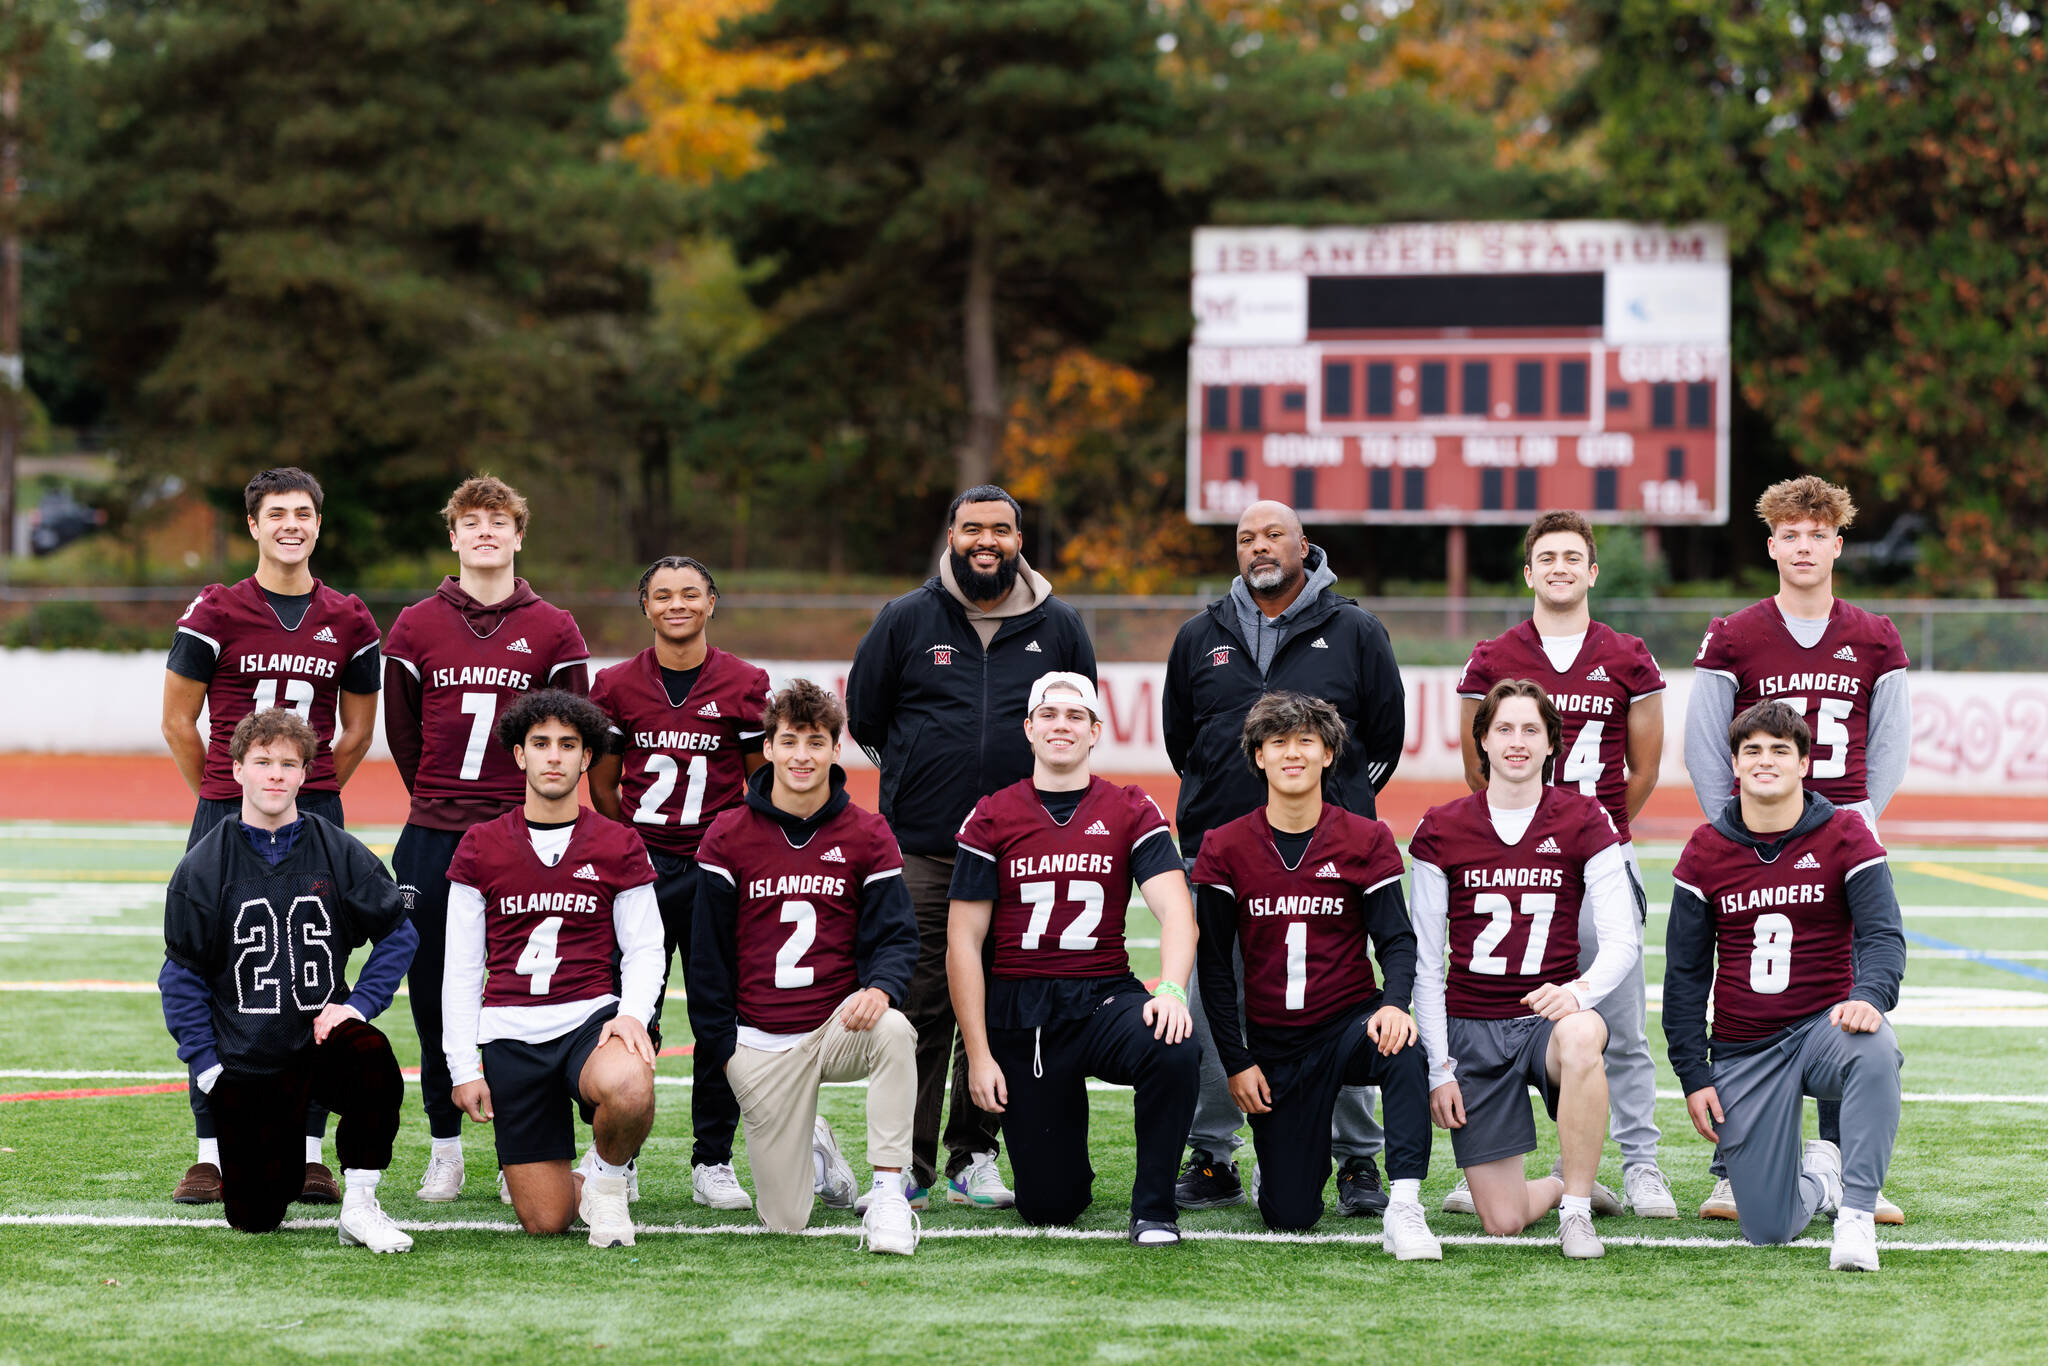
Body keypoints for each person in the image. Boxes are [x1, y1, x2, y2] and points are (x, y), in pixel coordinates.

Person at [846, 484, 1096, 1209]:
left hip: (1022, 855)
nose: (986, 541)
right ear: (951, 535)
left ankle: (975, 1153)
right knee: (921, 1007)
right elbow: (869, 718)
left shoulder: (1063, 625)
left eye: (1001, 530)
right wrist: (924, 774)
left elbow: (1075, 720)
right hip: (924, 849)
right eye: (972, 529)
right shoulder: (905, 618)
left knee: (1003, 1008)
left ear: (1021, 540)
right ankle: (910, 1165)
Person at [1161, 499, 1404, 1214]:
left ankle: (1358, 1159)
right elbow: (1186, 747)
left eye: (1273, 535)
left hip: (1331, 859)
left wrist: (1337, 817)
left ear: (1305, 544)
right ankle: (1213, 1153)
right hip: (1220, 855)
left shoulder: (1355, 628)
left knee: (1343, 998)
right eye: (1245, 538)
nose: (1259, 547)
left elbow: (1381, 743)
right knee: (1215, 997)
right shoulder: (1198, 635)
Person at [1685, 474, 1910, 1223]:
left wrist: (1854, 820)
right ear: (1772, 544)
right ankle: (1730, 1165)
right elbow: (1706, 742)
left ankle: (1847, 1169)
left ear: (1837, 544)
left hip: (1841, 838)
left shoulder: (1875, 634)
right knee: (1746, 985)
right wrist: (1738, 824)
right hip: (1754, 836)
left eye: (1818, 533)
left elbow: (1888, 749)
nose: (1804, 545)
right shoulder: (1736, 632)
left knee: (1847, 996)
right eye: (1791, 534)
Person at [160, 466, 383, 1206]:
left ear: (319, 523)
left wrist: (310, 796)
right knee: (214, 971)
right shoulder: (216, 608)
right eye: (276, 513)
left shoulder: (349, 617)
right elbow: (176, 721)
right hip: (229, 809)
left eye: (304, 513)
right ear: (253, 524)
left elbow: (356, 731)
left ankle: (310, 1149)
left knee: (314, 972)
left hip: (311, 814)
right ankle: (212, 1152)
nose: (292, 524)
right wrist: (227, 796)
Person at [1452, 510, 1674, 1219]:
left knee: (1622, 1024)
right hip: (1516, 870)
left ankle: (1641, 1163)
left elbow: (1643, 768)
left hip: (1603, 859)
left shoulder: (1628, 655)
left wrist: (1593, 832)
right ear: (1528, 572)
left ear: (1591, 571)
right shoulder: (1493, 656)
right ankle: (1493, 1161)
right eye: (1546, 557)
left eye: (1572, 557)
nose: (1559, 567)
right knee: (1501, 1015)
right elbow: (1474, 764)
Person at [383, 475, 591, 1201]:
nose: (484, 533)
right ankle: (445, 1144)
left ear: (518, 534)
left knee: (526, 989)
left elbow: (571, 733)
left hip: (525, 834)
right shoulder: (413, 625)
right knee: (434, 987)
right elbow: (404, 735)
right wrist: (445, 803)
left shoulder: (556, 628)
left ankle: (522, 1147)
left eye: (498, 522)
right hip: (434, 835)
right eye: (470, 522)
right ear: (453, 536)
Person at [948, 672, 1199, 1245]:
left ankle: (1155, 1210)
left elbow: (1177, 912)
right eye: (1050, 714)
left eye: (1076, 716)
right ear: (1029, 728)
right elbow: (962, 942)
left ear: (1095, 733)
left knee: (1173, 1044)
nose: (1063, 725)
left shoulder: (1130, 808)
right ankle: (1064, 1161)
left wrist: (1171, 989)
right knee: (1051, 1205)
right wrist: (980, 1056)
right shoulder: (990, 816)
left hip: (1102, 994)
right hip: (1022, 1011)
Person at [1189, 693, 1441, 1260]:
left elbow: (1397, 939)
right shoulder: (1225, 845)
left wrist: (1395, 1004)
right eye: (1277, 742)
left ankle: (1405, 1207)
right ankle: (1275, 1171)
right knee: (1289, 1215)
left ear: (1329, 754)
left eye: (1306, 741)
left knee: (1403, 1051)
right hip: (1276, 1045)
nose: (1292, 753)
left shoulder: (1365, 838)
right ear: (1258, 757)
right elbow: (1215, 969)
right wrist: (1237, 1060)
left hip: (1348, 1024)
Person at [158, 708, 418, 1250]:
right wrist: (206, 1067)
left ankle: (361, 1205)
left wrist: (359, 1005)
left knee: (372, 1059)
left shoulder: (337, 849)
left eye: (288, 763)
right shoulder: (203, 865)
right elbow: (180, 976)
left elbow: (399, 933)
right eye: (262, 762)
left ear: (304, 775)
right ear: (237, 770)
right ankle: (264, 1165)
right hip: (248, 1058)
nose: (275, 774)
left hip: (321, 1043)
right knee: (254, 1215)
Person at [1665, 701, 1905, 1271]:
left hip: (1823, 1029)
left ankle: (1856, 1219)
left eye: (1780, 750)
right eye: (1753, 751)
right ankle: (1822, 1180)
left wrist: (1869, 998)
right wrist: (1693, 1074)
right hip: (1745, 1047)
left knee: (1874, 1049)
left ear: (1803, 764)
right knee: (1768, 1228)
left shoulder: (1845, 833)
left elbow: (1883, 935)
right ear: (1735, 765)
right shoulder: (1705, 849)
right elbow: (1685, 975)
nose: (1765, 760)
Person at [1409, 680, 1642, 1260]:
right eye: (1504, 729)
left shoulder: (1585, 818)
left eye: (1530, 730)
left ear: (1550, 745)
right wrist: (1439, 1067)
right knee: (1504, 1221)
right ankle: (1566, 1185)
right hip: (1472, 1026)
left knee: (1585, 1030)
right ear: (1482, 741)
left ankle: (1578, 1212)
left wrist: (1579, 993)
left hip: (1544, 1023)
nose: (1517, 742)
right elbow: (1425, 962)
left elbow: (1622, 939)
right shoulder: (1442, 828)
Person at [691, 680, 922, 1255]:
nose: (801, 755)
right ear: (766, 747)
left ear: (835, 749)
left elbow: (898, 935)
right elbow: (706, 957)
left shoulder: (867, 832)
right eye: (788, 740)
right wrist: (726, 1052)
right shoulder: (728, 834)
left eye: (815, 742)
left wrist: (883, 988)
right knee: (785, 1221)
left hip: (835, 1027)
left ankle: (889, 1192)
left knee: (895, 1030)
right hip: (761, 1041)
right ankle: (813, 1141)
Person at [440, 690, 662, 1249]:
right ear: (519, 755)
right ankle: (584, 1178)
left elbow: (645, 947)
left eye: (569, 745)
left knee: (631, 1085)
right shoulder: (480, 846)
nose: (555, 757)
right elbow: (463, 967)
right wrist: (464, 1067)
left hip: (588, 1021)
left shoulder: (618, 842)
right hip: (512, 1034)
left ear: (588, 758)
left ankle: (609, 1184)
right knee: (548, 1220)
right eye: (541, 744)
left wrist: (632, 1016)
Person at [589, 556, 769, 1212]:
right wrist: (629, 856)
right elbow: (604, 785)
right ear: (646, 606)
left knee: (719, 1016)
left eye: (690, 594)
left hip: (714, 873)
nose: (676, 605)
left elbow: (761, 784)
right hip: (642, 870)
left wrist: (731, 857)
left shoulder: (746, 682)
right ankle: (621, 1154)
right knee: (634, 1014)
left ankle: (712, 1159)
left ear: (711, 603)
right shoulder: (614, 684)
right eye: (662, 595)